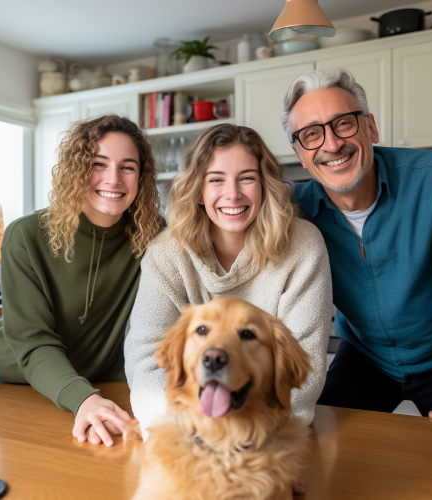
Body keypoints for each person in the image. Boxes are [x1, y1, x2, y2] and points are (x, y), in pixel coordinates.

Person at [281, 67, 432, 430]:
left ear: (371, 127)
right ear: (300, 154)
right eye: (312, 135)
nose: (332, 145)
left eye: (344, 124)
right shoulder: (292, 211)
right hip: (366, 359)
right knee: (315, 446)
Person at [124, 123, 332, 437]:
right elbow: (145, 366)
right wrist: (201, 435)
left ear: (265, 185)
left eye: (247, 178)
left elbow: (305, 371)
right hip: (183, 433)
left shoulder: (303, 245)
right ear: (198, 191)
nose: (232, 194)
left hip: (269, 435)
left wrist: (241, 439)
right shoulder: (166, 252)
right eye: (216, 180)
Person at [0, 114, 165, 446]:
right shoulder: (26, 236)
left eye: (128, 167)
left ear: (142, 177)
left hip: (89, 387)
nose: (113, 179)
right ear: (76, 169)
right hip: (9, 382)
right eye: (98, 164)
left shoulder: (153, 236)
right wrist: (83, 399)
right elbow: (33, 341)